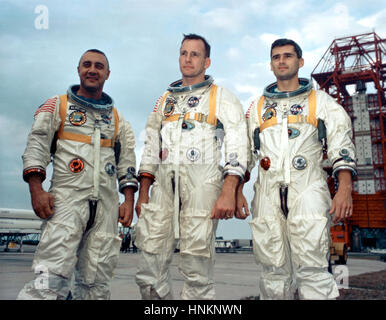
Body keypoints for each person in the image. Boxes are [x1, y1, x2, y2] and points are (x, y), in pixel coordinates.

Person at [238, 39, 357, 300]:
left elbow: (341, 143)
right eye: (276, 57)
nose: (282, 61)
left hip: (308, 189)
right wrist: (235, 191)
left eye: (288, 56)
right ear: (271, 65)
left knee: (313, 271)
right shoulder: (257, 108)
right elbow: (242, 153)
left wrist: (344, 189)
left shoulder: (321, 102)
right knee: (272, 273)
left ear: (300, 62)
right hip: (268, 193)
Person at [134, 34, 248, 300]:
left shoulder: (222, 97)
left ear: (206, 62)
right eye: (184, 53)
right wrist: (143, 193)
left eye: (195, 54)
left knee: (197, 269)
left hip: (203, 185)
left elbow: (238, 144)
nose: (188, 58)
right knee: (149, 269)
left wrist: (229, 190)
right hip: (163, 186)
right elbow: (151, 145)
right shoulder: (164, 99)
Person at [18, 49, 138, 300]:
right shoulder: (58, 105)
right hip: (66, 204)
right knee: (50, 280)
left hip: (105, 209)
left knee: (96, 284)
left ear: (107, 73)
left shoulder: (116, 119)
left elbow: (126, 160)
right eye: (86, 65)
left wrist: (127, 200)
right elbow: (37, 147)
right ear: (79, 70)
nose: (92, 70)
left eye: (98, 66)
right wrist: (37, 190)